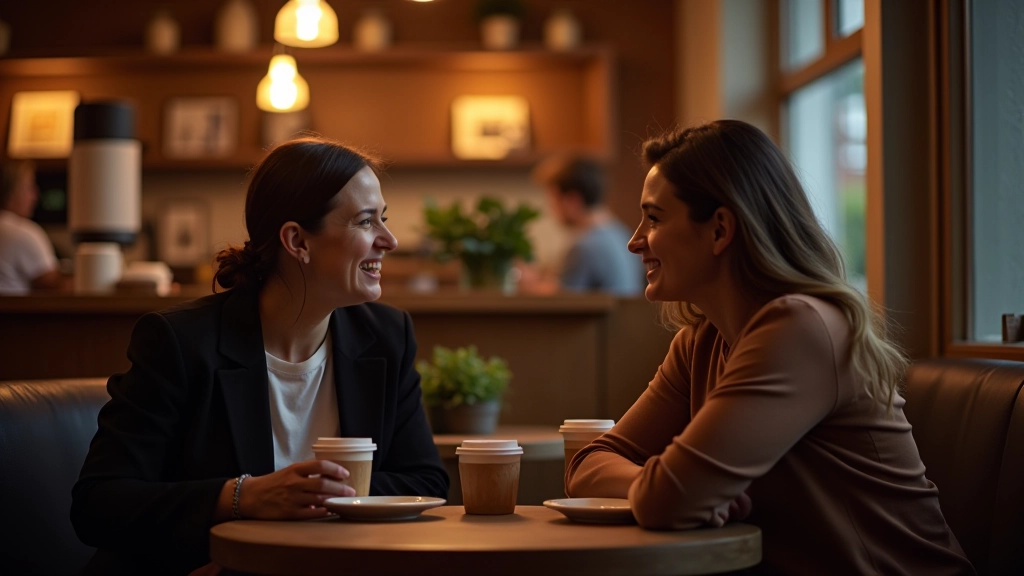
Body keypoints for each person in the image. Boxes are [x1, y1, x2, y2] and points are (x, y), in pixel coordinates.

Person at [565, 121, 975, 575]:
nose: (634, 240)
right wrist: (660, 487)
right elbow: (587, 465)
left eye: (655, 218)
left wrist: (675, 493)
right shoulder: (701, 342)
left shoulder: (800, 329)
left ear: (720, 229)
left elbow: (669, 501)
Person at [71, 137, 450, 575]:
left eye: (383, 219)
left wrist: (314, 497)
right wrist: (243, 496)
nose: (390, 240)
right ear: (297, 241)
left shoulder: (386, 336)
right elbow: (99, 504)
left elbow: (425, 482)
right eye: (366, 222)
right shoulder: (180, 341)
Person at [521, 154, 645, 296]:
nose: (551, 209)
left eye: (553, 199)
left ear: (573, 200)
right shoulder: (620, 233)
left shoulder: (585, 246)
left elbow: (562, 300)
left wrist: (526, 285)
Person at [0, 160, 63, 294]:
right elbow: (54, 285)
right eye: (29, 188)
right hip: (12, 314)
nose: (35, 196)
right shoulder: (22, 233)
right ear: (12, 193)